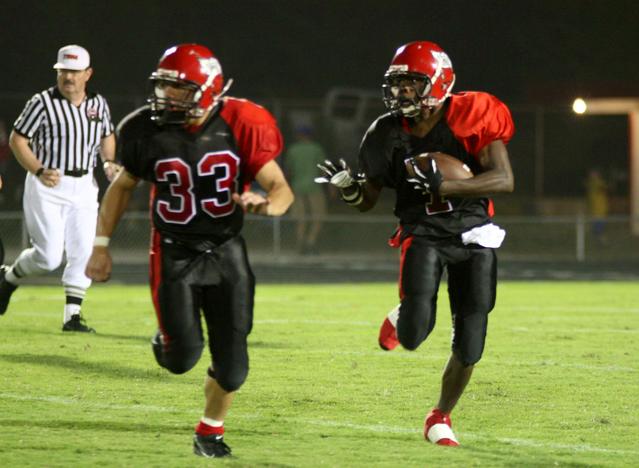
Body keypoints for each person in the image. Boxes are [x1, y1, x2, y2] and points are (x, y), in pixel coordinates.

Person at [85, 44, 293, 458]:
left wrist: (269, 206)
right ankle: (168, 338)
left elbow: (281, 188)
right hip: (173, 250)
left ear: (208, 90)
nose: (166, 96)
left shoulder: (242, 122)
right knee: (179, 359)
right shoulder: (143, 128)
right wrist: (101, 246)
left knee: (234, 366)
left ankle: (209, 432)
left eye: (178, 89)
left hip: (225, 250)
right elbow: (122, 188)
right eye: (163, 86)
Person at [317, 41, 515, 447]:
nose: (403, 91)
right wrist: (349, 188)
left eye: (413, 83)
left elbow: (503, 179)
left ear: (439, 82)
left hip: (473, 232)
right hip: (422, 231)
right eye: (398, 83)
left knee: (471, 339)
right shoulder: (385, 132)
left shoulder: (473, 113)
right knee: (412, 336)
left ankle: (439, 415)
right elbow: (367, 200)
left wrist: (448, 186)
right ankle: (403, 314)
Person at [0, 45, 117, 331]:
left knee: (84, 252)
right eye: (63, 70)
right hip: (48, 185)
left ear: (88, 73)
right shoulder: (41, 102)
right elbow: (17, 139)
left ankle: (72, 317)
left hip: (84, 186)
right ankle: (8, 279)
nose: (68, 77)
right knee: (48, 256)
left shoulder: (98, 103)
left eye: (75, 71)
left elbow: (107, 135)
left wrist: (108, 161)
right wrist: (38, 169)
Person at [285, 125, 327, 254]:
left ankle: (300, 244)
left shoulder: (293, 150)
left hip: (297, 187)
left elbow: (288, 171)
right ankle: (310, 242)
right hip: (314, 187)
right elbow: (323, 169)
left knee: (300, 218)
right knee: (318, 215)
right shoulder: (316, 149)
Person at [585, 168, 609, 245]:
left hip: (600, 210)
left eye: (594, 174)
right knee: (595, 228)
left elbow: (603, 188)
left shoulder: (599, 183)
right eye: (591, 174)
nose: (592, 175)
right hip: (594, 210)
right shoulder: (591, 184)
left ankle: (602, 241)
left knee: (599, 228)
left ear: (598, 175)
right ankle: (598, 241)